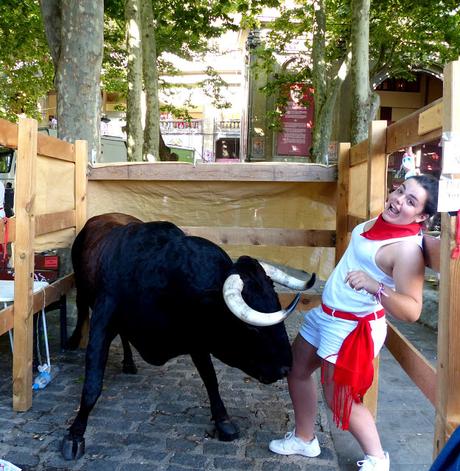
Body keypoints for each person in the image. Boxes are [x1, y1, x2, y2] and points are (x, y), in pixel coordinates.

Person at [269, 174, 439, 471]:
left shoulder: (407, 249)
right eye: (400, 191)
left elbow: (412, 311)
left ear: (422, 216)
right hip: (325, 315)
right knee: (296, 370)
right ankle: (304, 438)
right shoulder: (379, 222)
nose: (398, 200)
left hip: (352, 327)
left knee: (341, 400)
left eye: (411, 201)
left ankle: (377, 459)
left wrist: (376, 286)